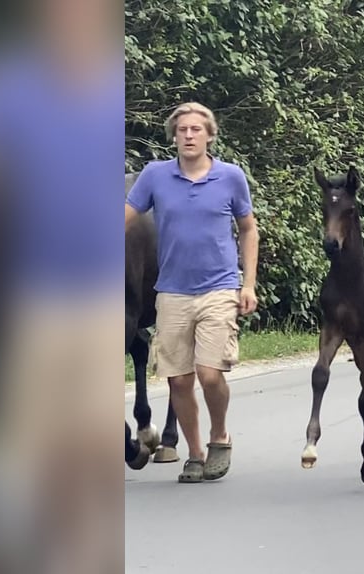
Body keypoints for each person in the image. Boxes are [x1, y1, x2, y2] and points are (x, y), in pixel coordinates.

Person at [125, 102, 260, 483]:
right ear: (174, 136)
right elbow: (123, 219)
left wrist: (247, 283)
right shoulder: (154, 176)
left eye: (196, 130)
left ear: (209, 135)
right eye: (182, 130)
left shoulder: (231, 177)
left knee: (209, 373)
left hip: (219, 288)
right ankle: (196, 453)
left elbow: (248, 229)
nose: (188, 135)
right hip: (170, 292)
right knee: (179, 380)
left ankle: (220, 436)